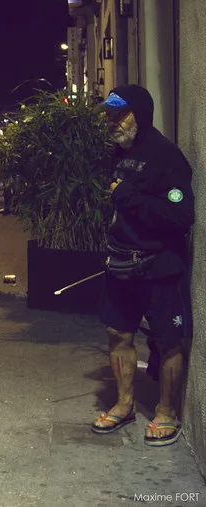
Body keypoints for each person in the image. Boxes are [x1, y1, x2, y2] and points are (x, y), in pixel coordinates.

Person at [90, 86, 194, 447]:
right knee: (118, 333)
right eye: (109, 114)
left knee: (168, 341)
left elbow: (181, 215)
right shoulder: (119, 152)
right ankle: (124, 405)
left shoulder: (167, 157)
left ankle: (167, 413)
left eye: (120, 114)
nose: (112, 121)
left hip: (159, 265)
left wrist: (128, 197)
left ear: (142, 114)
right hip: (120, 262)